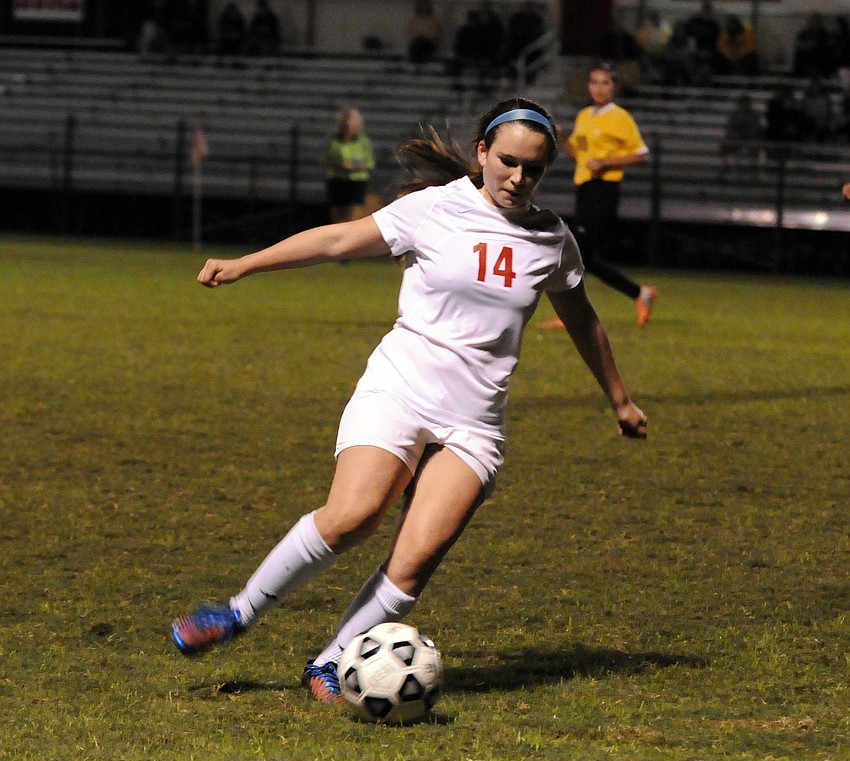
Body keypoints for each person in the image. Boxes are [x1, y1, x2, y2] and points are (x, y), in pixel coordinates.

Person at [169, 97, 648, 703]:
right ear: (481, 154)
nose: (517, 178)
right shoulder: (433, 209)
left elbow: (584, 320)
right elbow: (341, 239)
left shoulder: (552, 238)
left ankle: (331, 662)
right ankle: (236, 614)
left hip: (475, 422)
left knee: (414, 561)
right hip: (401, 388)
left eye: (533, 168)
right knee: (354, 516)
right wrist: (247, 265)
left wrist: (620, 401)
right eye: (506, 162)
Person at [543, 61, 657, 330]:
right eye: (594, 82)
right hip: (584, 188)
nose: (599, 87)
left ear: (614, 86)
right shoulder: (585, 115)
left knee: (576, 252)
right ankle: (640, 294)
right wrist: (562, 138)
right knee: (586, 258)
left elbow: (641, 154)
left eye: (605, 82)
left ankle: (570, 314)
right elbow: (577, 154)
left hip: (603, 190)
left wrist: (606, 163)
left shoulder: (619, 117)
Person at [325, 108, 375, 225]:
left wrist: (354, 166)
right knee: (336, 217)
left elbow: (370, 163)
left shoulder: (363, 141)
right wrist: (340, 165)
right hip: (337, 179)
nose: (348, 125)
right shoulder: (333, 140)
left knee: (353, 217)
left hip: (357, 181)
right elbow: (326, 160)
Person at [720, 93, 762, 180]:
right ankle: (725, 168)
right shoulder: (733, 115)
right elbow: (729, 128)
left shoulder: (754, 115)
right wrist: (735, 136)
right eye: (742, 104)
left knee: (755, 146)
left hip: (749, 139)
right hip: (735, 139)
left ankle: (754, 172)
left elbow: (755, 129)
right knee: (725, 144)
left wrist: (745, 136)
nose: (744, 106)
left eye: (746, 104)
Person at [407, 0, 441, 66]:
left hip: (428, 44)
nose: (423, 8)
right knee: (417, 44)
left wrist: (423, 36)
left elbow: (434, 34)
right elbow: (410, 33)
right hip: (417, 43)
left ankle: (420, 63)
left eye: (425, 6)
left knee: (421, 44)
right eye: (421, 6)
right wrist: (418, 36)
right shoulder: (415, 20)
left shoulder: (433, 20)